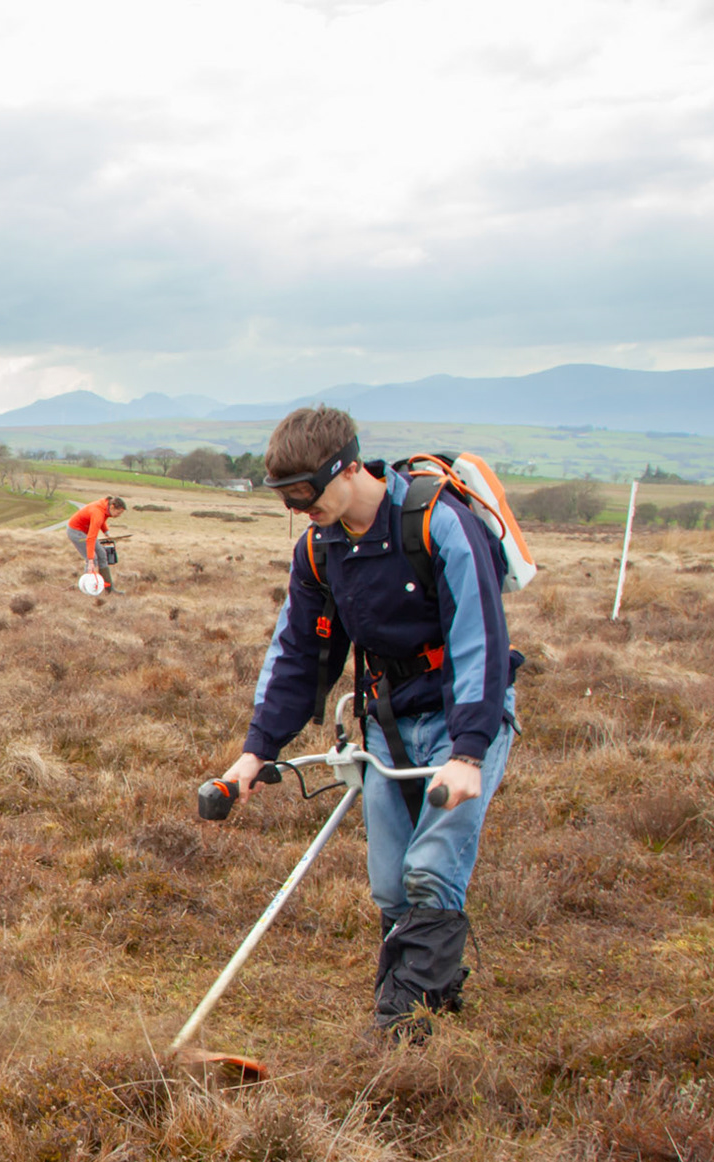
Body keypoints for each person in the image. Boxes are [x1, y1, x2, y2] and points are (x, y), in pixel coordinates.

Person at [217, 406, 518, 1038]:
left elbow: (479, 640)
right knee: (390, 886)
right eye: (286, 499)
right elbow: (298, 653)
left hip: (463, 718)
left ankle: (400, 1036)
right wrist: (256, 750)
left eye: (307, 493)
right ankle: (430, 1006)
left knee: (433, 868)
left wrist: (468, 751)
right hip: (387, 719)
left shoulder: (440, 524)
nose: (301, 510)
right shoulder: (319, 551)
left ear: (349, 467)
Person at [67, 495, 125, 590]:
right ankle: (87, 588)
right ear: (112, 507)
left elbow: (103, 519)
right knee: (93, 559)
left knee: (102, 554)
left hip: (84, 531)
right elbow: (91, 537)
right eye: (118, 513)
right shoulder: (98, 513)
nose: (119, 515)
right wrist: (90, 559)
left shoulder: (104, 506)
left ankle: (109, 589)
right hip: (76, 532)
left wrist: (106, 531)